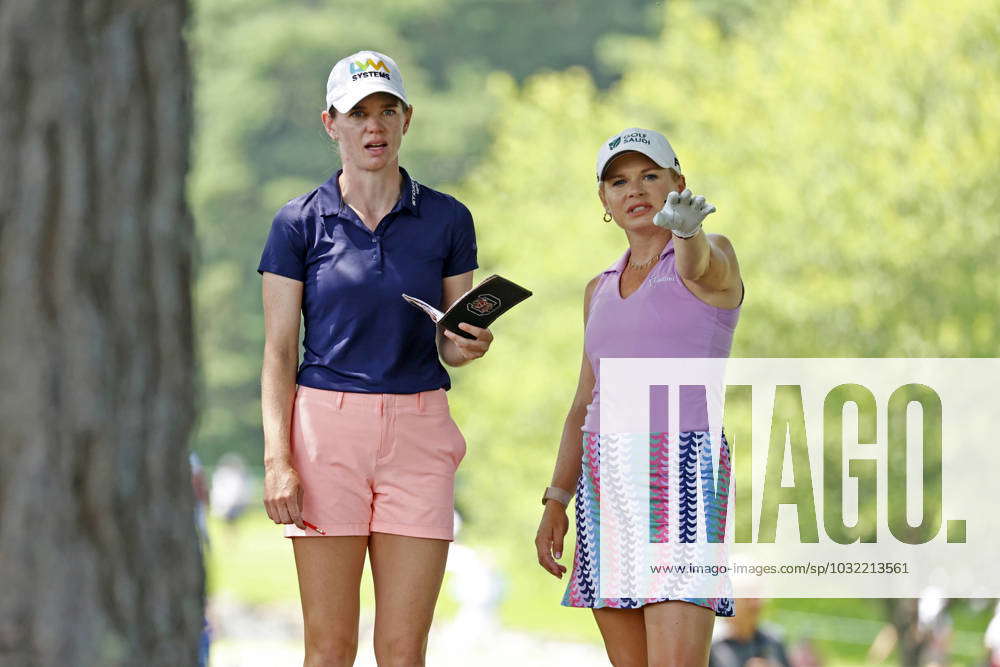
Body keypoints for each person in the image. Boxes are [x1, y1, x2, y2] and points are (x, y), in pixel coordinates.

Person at [257, 50, 493, 666]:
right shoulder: (297, 224)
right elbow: (280, 351)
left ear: (407, 119)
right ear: (329, 123)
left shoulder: (447, 218)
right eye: (357, 113)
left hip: (419, 431)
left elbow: (452, 338)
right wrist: (277, 458)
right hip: (324, 432)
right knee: (329, 647)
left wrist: (465, 345)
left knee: (402, 648)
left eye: (387, 110)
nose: (374, 126)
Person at [535, 127, 744, 666]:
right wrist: (557, 499)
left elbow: (700, 264)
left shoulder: (708, 256)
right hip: (607, 484)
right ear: (604, 200)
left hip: (684, 476)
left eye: (651, 175)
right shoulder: (598, 289)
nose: (637, 189)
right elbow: (585, 401)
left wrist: (689, 233)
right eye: (619, 181)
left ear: (678, 182)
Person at [710, 598, 791, 667]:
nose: (754, 604)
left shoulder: (775, 642)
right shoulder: (711, 645)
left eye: (756, 598)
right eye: (747, 599)